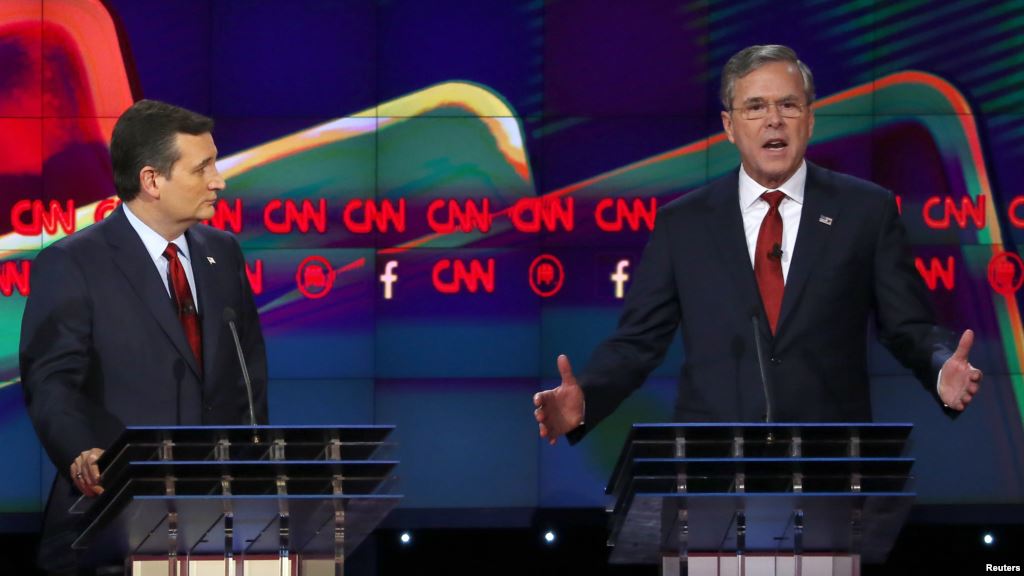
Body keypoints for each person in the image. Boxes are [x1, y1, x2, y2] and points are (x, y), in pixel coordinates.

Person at [533, 45, 982, 445]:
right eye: (755, 107)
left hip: (830, 460)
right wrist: (585, 399)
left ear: (809, 118)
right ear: (729, 126)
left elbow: (907, 326)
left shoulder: (866, 209)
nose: (774, 120)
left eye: (788, 104)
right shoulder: (683, 223)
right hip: (712, 464)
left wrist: (941, 368)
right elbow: (637, 343)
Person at [20, 99, 268, 574]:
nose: (219, 180)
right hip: (113, 521)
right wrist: (81, 453)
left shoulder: (224, 253)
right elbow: (51, 382)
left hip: (217, 527)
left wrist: (254, 477)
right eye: (203, 167)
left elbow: (247, 375)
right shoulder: (74, 263)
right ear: (152, 180)